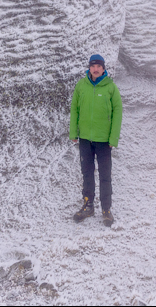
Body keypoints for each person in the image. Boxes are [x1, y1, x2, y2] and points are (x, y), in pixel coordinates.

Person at [69, 53, 123, 226]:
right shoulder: (81, 86)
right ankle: (88, 205)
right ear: (89, 68)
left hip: (103, 141)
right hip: (85, 139)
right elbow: (74, 110)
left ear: (103, 68)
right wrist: (73, 133)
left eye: (99, 66)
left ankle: (106, 209)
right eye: (93, 66)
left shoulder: (111, 88)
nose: (96, 69)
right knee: (87, 174)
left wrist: (113, 138)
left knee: (105, 176)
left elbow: (118, 114)